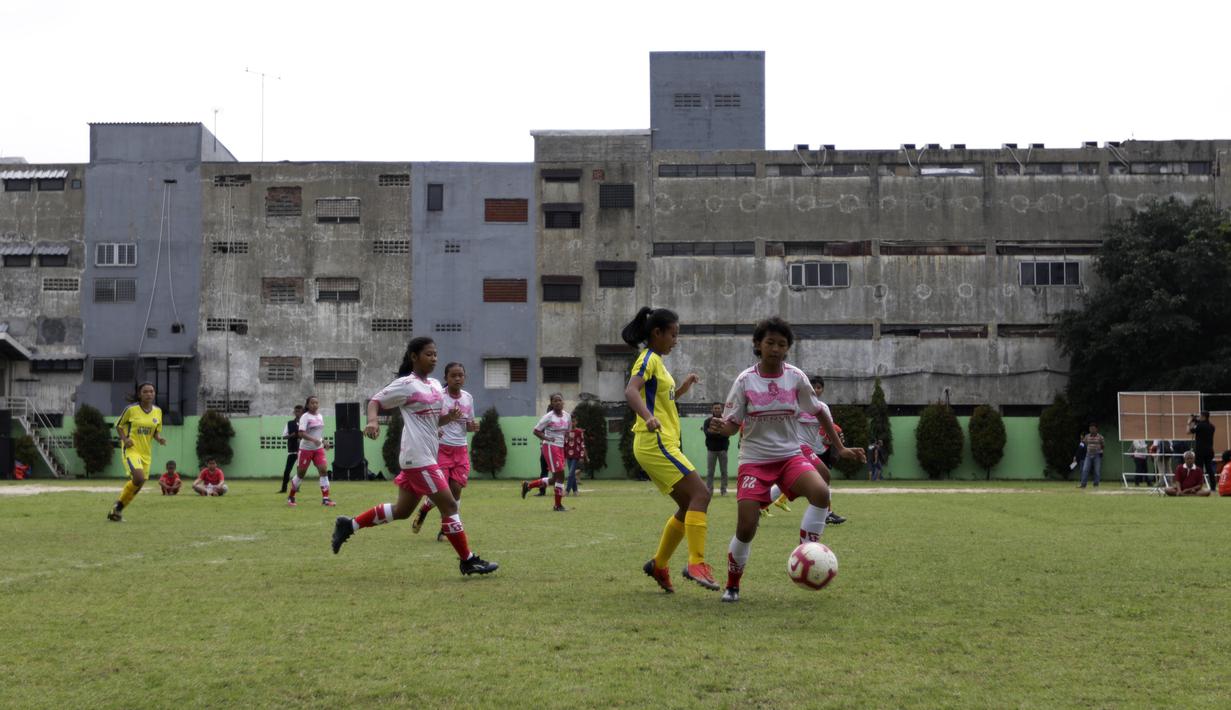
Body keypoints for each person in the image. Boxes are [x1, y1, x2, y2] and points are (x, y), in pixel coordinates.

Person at [709, 317, 865, 603]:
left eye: (782, 344)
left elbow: (819, 411)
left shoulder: (795, 377)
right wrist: (723, 428)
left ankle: (807, 552)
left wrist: (840, 449)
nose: (776, 349)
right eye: (770, 343)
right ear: (758, 345)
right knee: (746, 527)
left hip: (790, 456)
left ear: (788, 349)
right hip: (754, 461)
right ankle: (733, 584)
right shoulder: (745, 381)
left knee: (820, 491)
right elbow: (733, 424)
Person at [330, 336, 498, 576]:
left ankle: (349, 525)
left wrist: (447, 419)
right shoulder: (406, 384)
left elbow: (431, 420)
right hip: (418, 457)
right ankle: (468, 560)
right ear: (414, 357)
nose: (434, 358)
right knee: (450, 504)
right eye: (429, 354)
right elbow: (375, 401)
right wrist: (373, 420)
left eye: (435, 354)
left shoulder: (432, 386)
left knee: (402, 510)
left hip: (422, 456)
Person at [622, 306, 717, 593]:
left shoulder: (659, 363)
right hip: (655, 442)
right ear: (657, 333)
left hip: (661, 443)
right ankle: (696, 562)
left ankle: (659, 564)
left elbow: (664, 399)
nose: (675, 340)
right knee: (701, 494)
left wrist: (683, 388)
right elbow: (630, 391)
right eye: (673, 335)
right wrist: (647, 417)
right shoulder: (647, 359)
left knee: (688, 504)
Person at [412, 362, 478, 537]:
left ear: (464, 377)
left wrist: (473, 426)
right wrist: (439, 427)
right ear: (446, 378)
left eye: (460, 375)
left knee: (455, 490)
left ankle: (443, 524)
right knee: (443, 491)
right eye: (453, 375)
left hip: (461, 449)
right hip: (441, 449)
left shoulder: (468, 398)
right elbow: (430, 421)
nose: (457, 378)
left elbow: (468, 425)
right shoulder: (438, 396)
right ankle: (435, 517)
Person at [107, 382, 168, 522]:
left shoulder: (158, 411)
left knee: (139, 483)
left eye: (151, 391)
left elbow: (155, 432)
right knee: (139, 478)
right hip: (131, 449)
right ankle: (116, 508)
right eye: (145, 391)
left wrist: (159, 439)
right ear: (140, 394)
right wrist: (125, 439)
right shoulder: (131, 409)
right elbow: (119, 425)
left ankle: (116, 511)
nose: (149, 394)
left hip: (146, 452)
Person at [796, 375, 845, 525]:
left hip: (810, 447)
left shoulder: (823, 408)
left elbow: (828, 430)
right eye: (813, 387)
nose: (816, 390)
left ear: (822, 390)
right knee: (824, 474)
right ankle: (826, 513)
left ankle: (760, 505)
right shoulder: (796, 404)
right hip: (797, 446)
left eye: (819, 387)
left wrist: (833, 442)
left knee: (788, 485)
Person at [521, 394, 571, 511]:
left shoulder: (567, 416)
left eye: (560, 400)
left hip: (560, 447)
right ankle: (557, 505)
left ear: (563, 402)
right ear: (552, 404)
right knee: (561, 476)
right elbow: (536, 431)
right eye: (555, 401)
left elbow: (568, 432)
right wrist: (547, 438)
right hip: (550, 446)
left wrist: (569, 438)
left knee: (555, 479)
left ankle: (528, 485)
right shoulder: (548, 417)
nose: (558, 402)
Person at [288, 396, 335, 508]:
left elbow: (318, 434)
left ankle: (326, 499)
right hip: (306, 449)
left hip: (318, 449)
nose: (315, 405)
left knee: (323, 470)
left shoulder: (320, 416)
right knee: (301, 474)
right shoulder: (305, 417)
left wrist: (324, 441)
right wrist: (314, 440)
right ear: (308, 405)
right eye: (312, 403)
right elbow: (301, 433)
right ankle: (291, 496)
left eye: (316, 403)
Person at [702, 403, 730, 496]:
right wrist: (718, 432)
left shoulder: (725, 420)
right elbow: (707, 434)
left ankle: (724, 491)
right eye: (715, 408)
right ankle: (709, 491)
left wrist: (714, 432)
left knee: (724, 471)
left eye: (719, 408)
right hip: (711, 450)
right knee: (710, 472)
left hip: (723, 450)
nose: (717, 410)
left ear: (722, 410)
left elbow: (726, 435)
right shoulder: (707, 421)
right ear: (712, 410)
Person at [278, 404, 304, 493]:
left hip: (302, 450)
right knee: (287, 470)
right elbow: (284, 437)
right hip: (292, 451)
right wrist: (292, 435)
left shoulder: (305, 423)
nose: (297, 413)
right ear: (294, 412)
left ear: (303, 412)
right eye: (296, 411)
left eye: (299, 411)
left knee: (299, 471)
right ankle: (283, 488)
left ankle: (297, 488)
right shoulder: (289, 423)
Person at [1189, 412, 1217, 490]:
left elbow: (1191, 431)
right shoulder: (1212, 426)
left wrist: (1190, 422)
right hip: (1209, 450)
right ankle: (1213, 487)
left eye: (1200, 416)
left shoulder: (1200, 425)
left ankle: (1198, 486)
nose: (1199, 417)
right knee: (1209, 469)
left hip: (1200, 451)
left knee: (1199, 469)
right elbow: (1202, 425)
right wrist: (1196, 420)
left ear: (1204, 416)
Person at [563, 423, 588, 496]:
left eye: (574, 421)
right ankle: (575, 491)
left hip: (576, 455)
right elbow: (565, 444)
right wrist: (564, 455)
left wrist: (582, 456)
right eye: (571, 421)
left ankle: (567, 491)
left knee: (571, 473)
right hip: (568, 455)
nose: (572, 423)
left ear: (576, 422)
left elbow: (582, 444)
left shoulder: (579, 432)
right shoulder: (566, 432)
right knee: (572, 474)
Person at [1078, 423, 1104, 489]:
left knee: (1097, 470)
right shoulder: (1087, 436)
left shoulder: (1100, 437)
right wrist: (1090, 448)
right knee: (1085, 469)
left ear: (1096, 429)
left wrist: (1100, 450)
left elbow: (1102, 445)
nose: (1091, 429)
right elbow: (1085, 443)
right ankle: (1083, 484)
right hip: (1088, 455)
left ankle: (1096, 485)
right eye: (1090, 428)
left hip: (1097, 455)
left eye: (1093, 428)